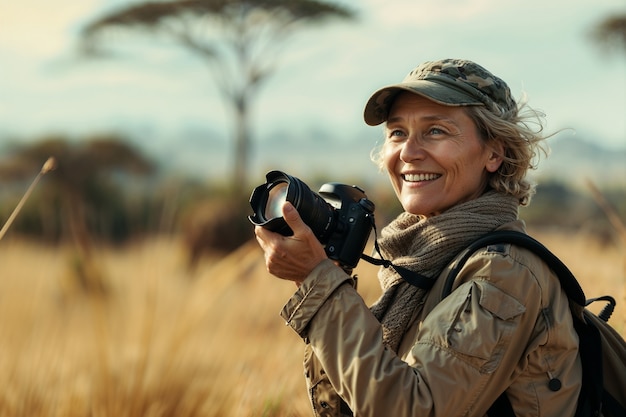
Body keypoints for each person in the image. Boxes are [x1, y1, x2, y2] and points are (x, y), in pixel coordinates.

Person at [253, 58, 581, 417]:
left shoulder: (502, 273)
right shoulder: (424, 262)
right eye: (397, 133)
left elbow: (410, 409)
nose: (408, 153)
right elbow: (347, 403)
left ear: (494, 152)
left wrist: (318, 282)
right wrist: (331, 271)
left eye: (436, 131)